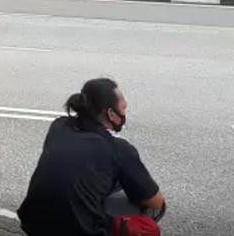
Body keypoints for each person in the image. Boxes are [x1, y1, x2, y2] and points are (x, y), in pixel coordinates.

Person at [18, 78, 165, 236]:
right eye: (123, 107)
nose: (125, 112)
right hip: (80, 232)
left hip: (33, 224)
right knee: (151, 208)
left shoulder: (59, 126)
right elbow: (155, 201)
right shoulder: (118, 148)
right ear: (111, 114)